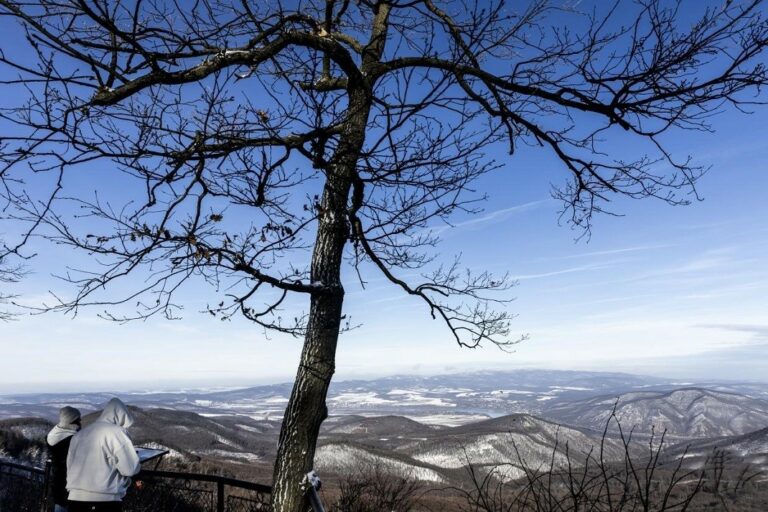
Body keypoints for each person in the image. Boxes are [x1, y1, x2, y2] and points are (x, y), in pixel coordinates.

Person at [66, 398, 141, 512]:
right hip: (105, 499)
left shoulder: (80, 434)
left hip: (74, 498)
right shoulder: (117, 432)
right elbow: (130, 469)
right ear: (121, 417)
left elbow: (70, 465)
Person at [46, 406, 82, 512]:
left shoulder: (54, 435)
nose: (80, 422)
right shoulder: (71, 439)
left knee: (60, 506)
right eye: (78, 419)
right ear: (72, 421)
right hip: (70, 484)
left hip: (58, 483)